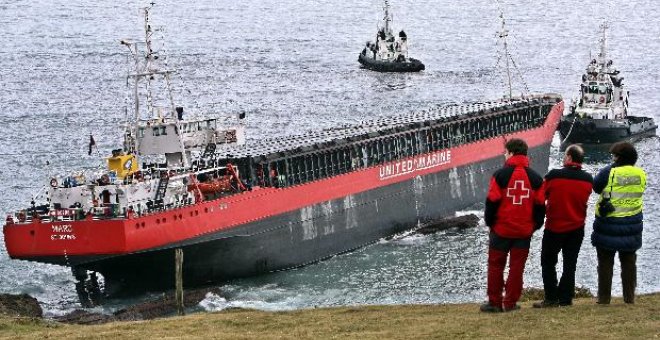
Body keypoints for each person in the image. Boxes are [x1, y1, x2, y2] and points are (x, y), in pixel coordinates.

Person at [481, 138, 545, 312]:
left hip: (500, 230)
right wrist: (535, 226)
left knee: (495, 266)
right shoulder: (536, 179)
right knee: (517, 268)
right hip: (523, 231)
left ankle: (494, 303)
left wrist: (490, 223)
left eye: (505, 152)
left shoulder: (499, 175)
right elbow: (540, 206)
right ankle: (510, 303)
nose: (504, 155)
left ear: (510, 153)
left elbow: (492, 201)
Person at [533, 144, 593, 308]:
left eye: (565, 154)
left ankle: (551, 298)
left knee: (548, 261)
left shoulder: (554, 176)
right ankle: (566, 298)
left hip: (554, 227)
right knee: (570, 264)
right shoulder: (588, 179)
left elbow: (539, 198)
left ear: (569, 157)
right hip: (577, 228)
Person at [591, 141, 646, 304]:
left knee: (605, 262)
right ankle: (629, 297)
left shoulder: (610, 171)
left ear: (618, 158)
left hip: (609, 223)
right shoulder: (640, 174)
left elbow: (596, 186)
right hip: (632, 223)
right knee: (629, 262)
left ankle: (604, 298)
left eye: (614, 156)